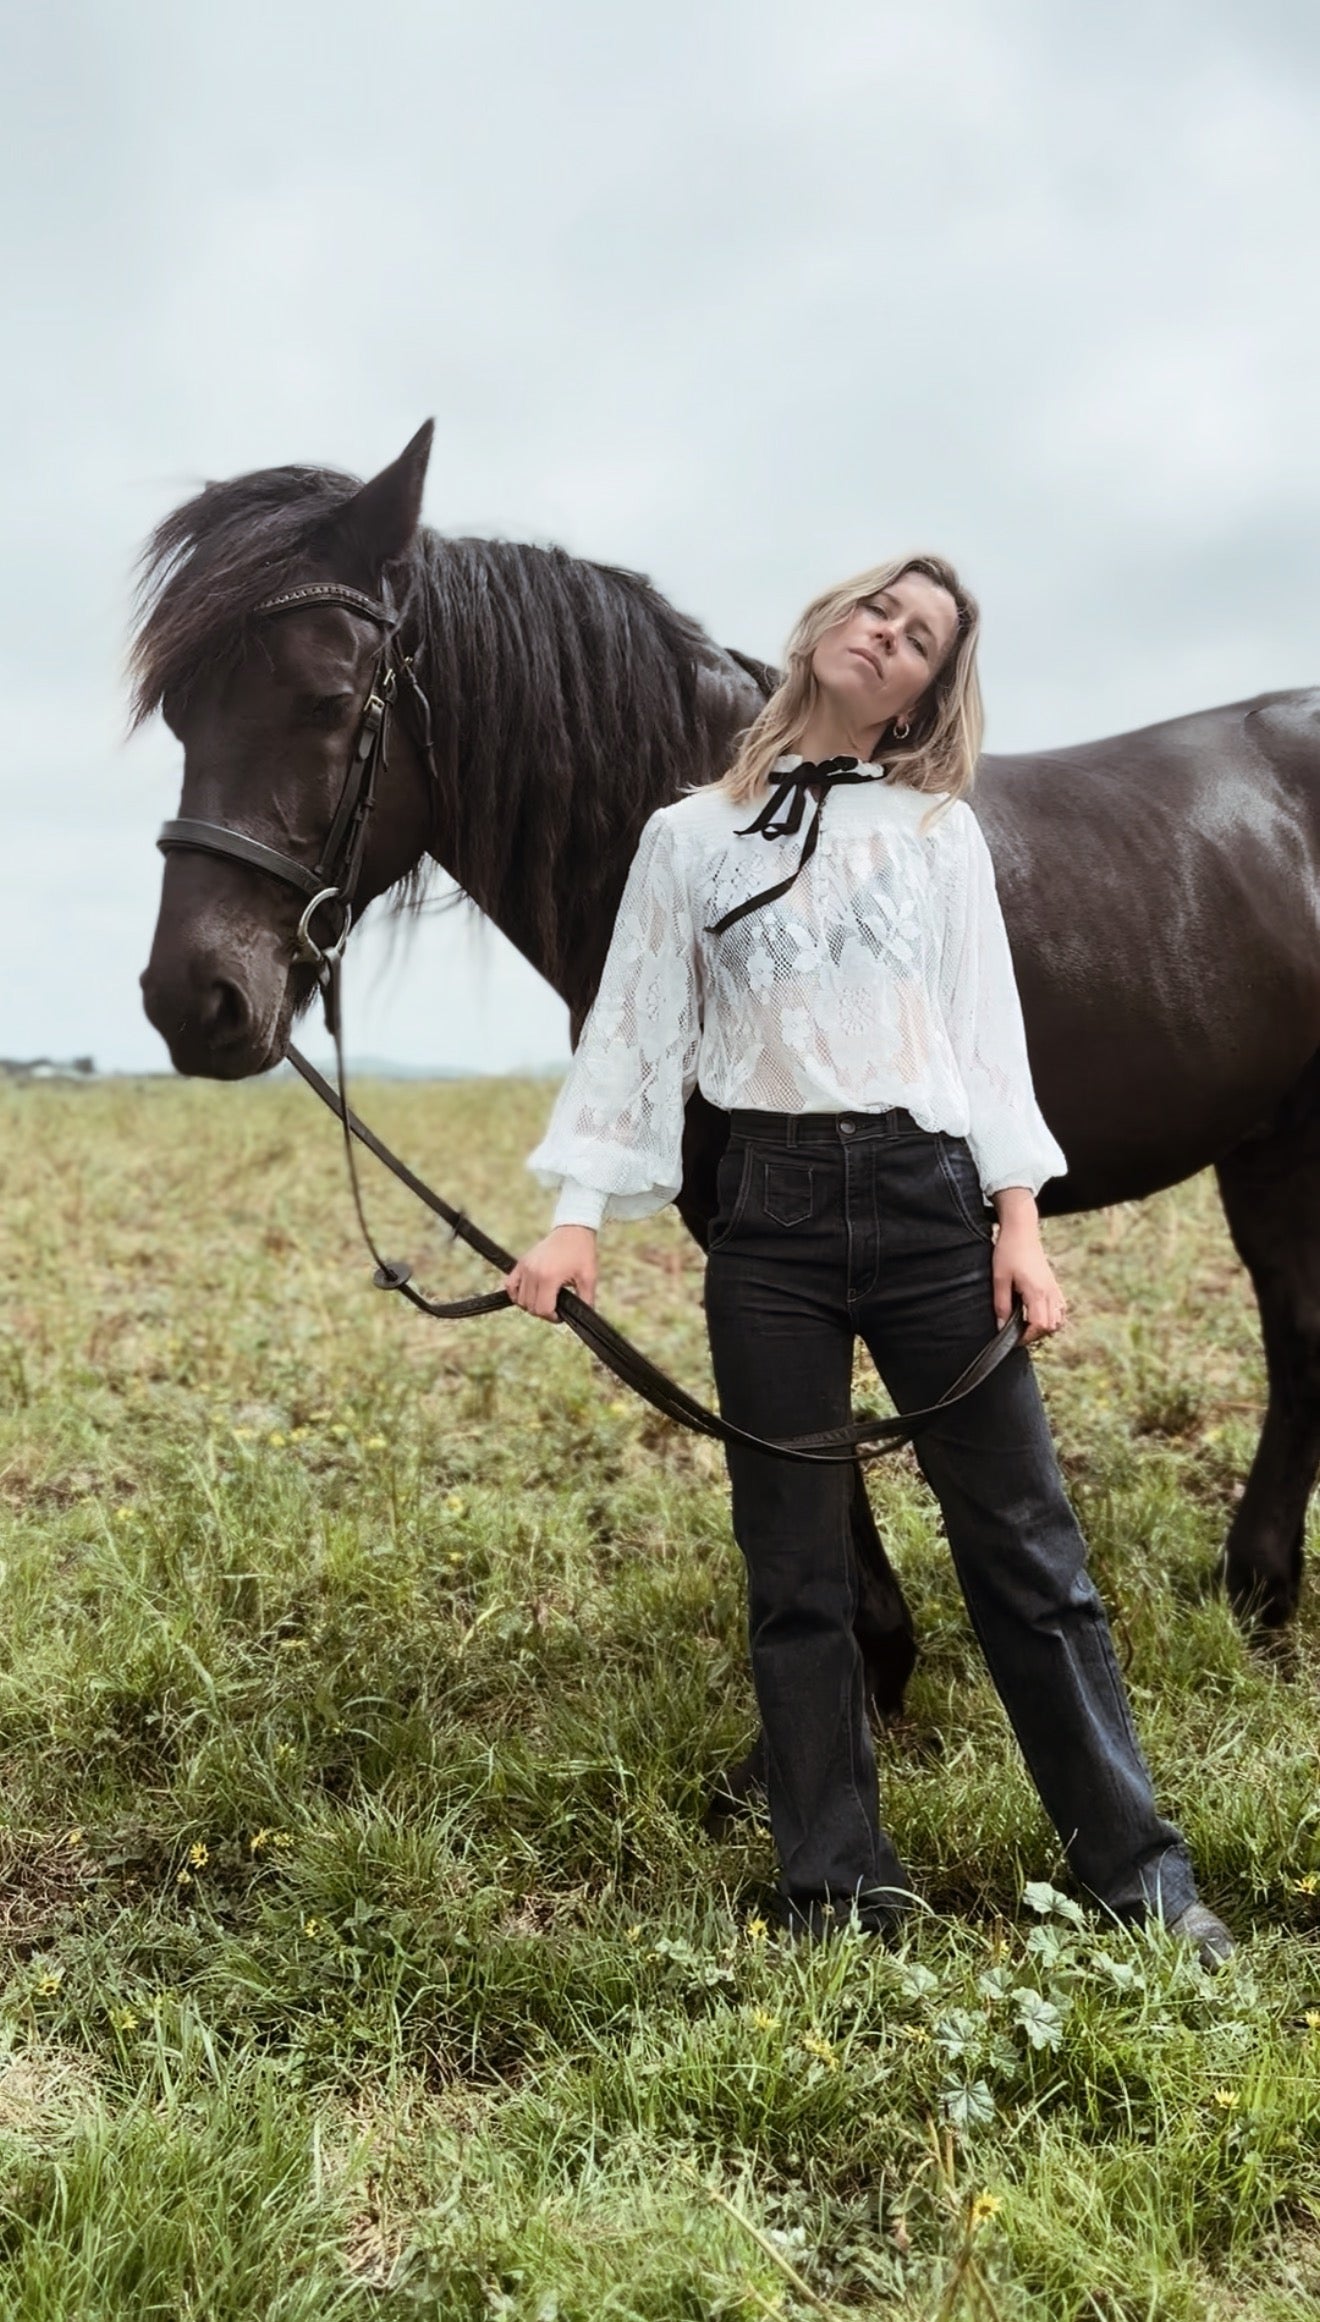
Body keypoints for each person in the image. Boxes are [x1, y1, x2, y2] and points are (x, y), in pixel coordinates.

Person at [506, 556, 1232, 1967]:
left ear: (922, 695)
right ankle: (836, 1889)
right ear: (826, 627)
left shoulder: (938, 835)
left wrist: (1019, 1225)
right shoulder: (687, 838)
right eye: (877, 610)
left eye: (920, 639)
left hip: (928, 1203)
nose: (888, 636)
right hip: (766, 1221)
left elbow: (985, 1035)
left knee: (1029, 1552)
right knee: (797, 1573)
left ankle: (1138, 1874)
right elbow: (636, 1027)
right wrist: (578, 1212)